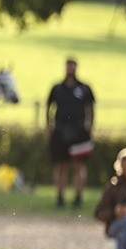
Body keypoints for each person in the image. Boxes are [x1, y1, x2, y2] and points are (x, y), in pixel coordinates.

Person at [46, 58, 96, 208]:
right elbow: (48, 108)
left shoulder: (84, 88)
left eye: (73, 65)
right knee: (60, 166)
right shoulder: (57, 88)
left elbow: (91, 109)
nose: (70, 68)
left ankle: (78, 196)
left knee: (78, 165)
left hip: (79, 131)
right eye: (68, 65)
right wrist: (48, 127)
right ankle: (60, 197)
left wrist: (90, 128)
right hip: (60, 130)